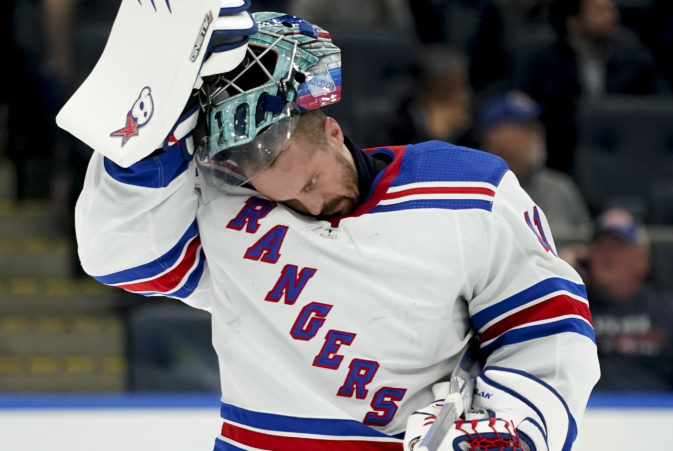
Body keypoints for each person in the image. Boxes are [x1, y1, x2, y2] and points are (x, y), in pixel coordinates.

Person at [66, 10, 599, 450]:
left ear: (334, 130)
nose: (312, 204)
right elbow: (123, 257)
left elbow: (546, 327)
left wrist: (519, 426)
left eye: (314, 180)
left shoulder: (465, 190)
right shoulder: (226, 206)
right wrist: (145, 148)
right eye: (290, 199)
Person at [520, 0, 669, 174]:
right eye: (600, 11)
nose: (612, 16)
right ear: (573, 22)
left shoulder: (630, 52)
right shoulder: (547, 58)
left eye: (611, 10)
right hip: (563, 146)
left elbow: (660, 95)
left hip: (622, 141)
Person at [565, 208, 673, 391]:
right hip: (589, 412)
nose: (608, 255)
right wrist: (562, 280)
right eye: (601, 246)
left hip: (659, 413)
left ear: (643, 260)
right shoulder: (571, 311)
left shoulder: (668, 314)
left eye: (618, 247)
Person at [478, 90, 593, 245]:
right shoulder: (473, 190)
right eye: (525, 126)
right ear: (494, 136)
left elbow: (588, 245)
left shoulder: (559, 188)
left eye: (537, 124)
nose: (538, 131)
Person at [385, 44, 476, 149]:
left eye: (463, 86)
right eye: (446, 90)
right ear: (422, 92)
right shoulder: (394, 125)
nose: (461, 97)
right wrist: (434, 136)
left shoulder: (471, 124)